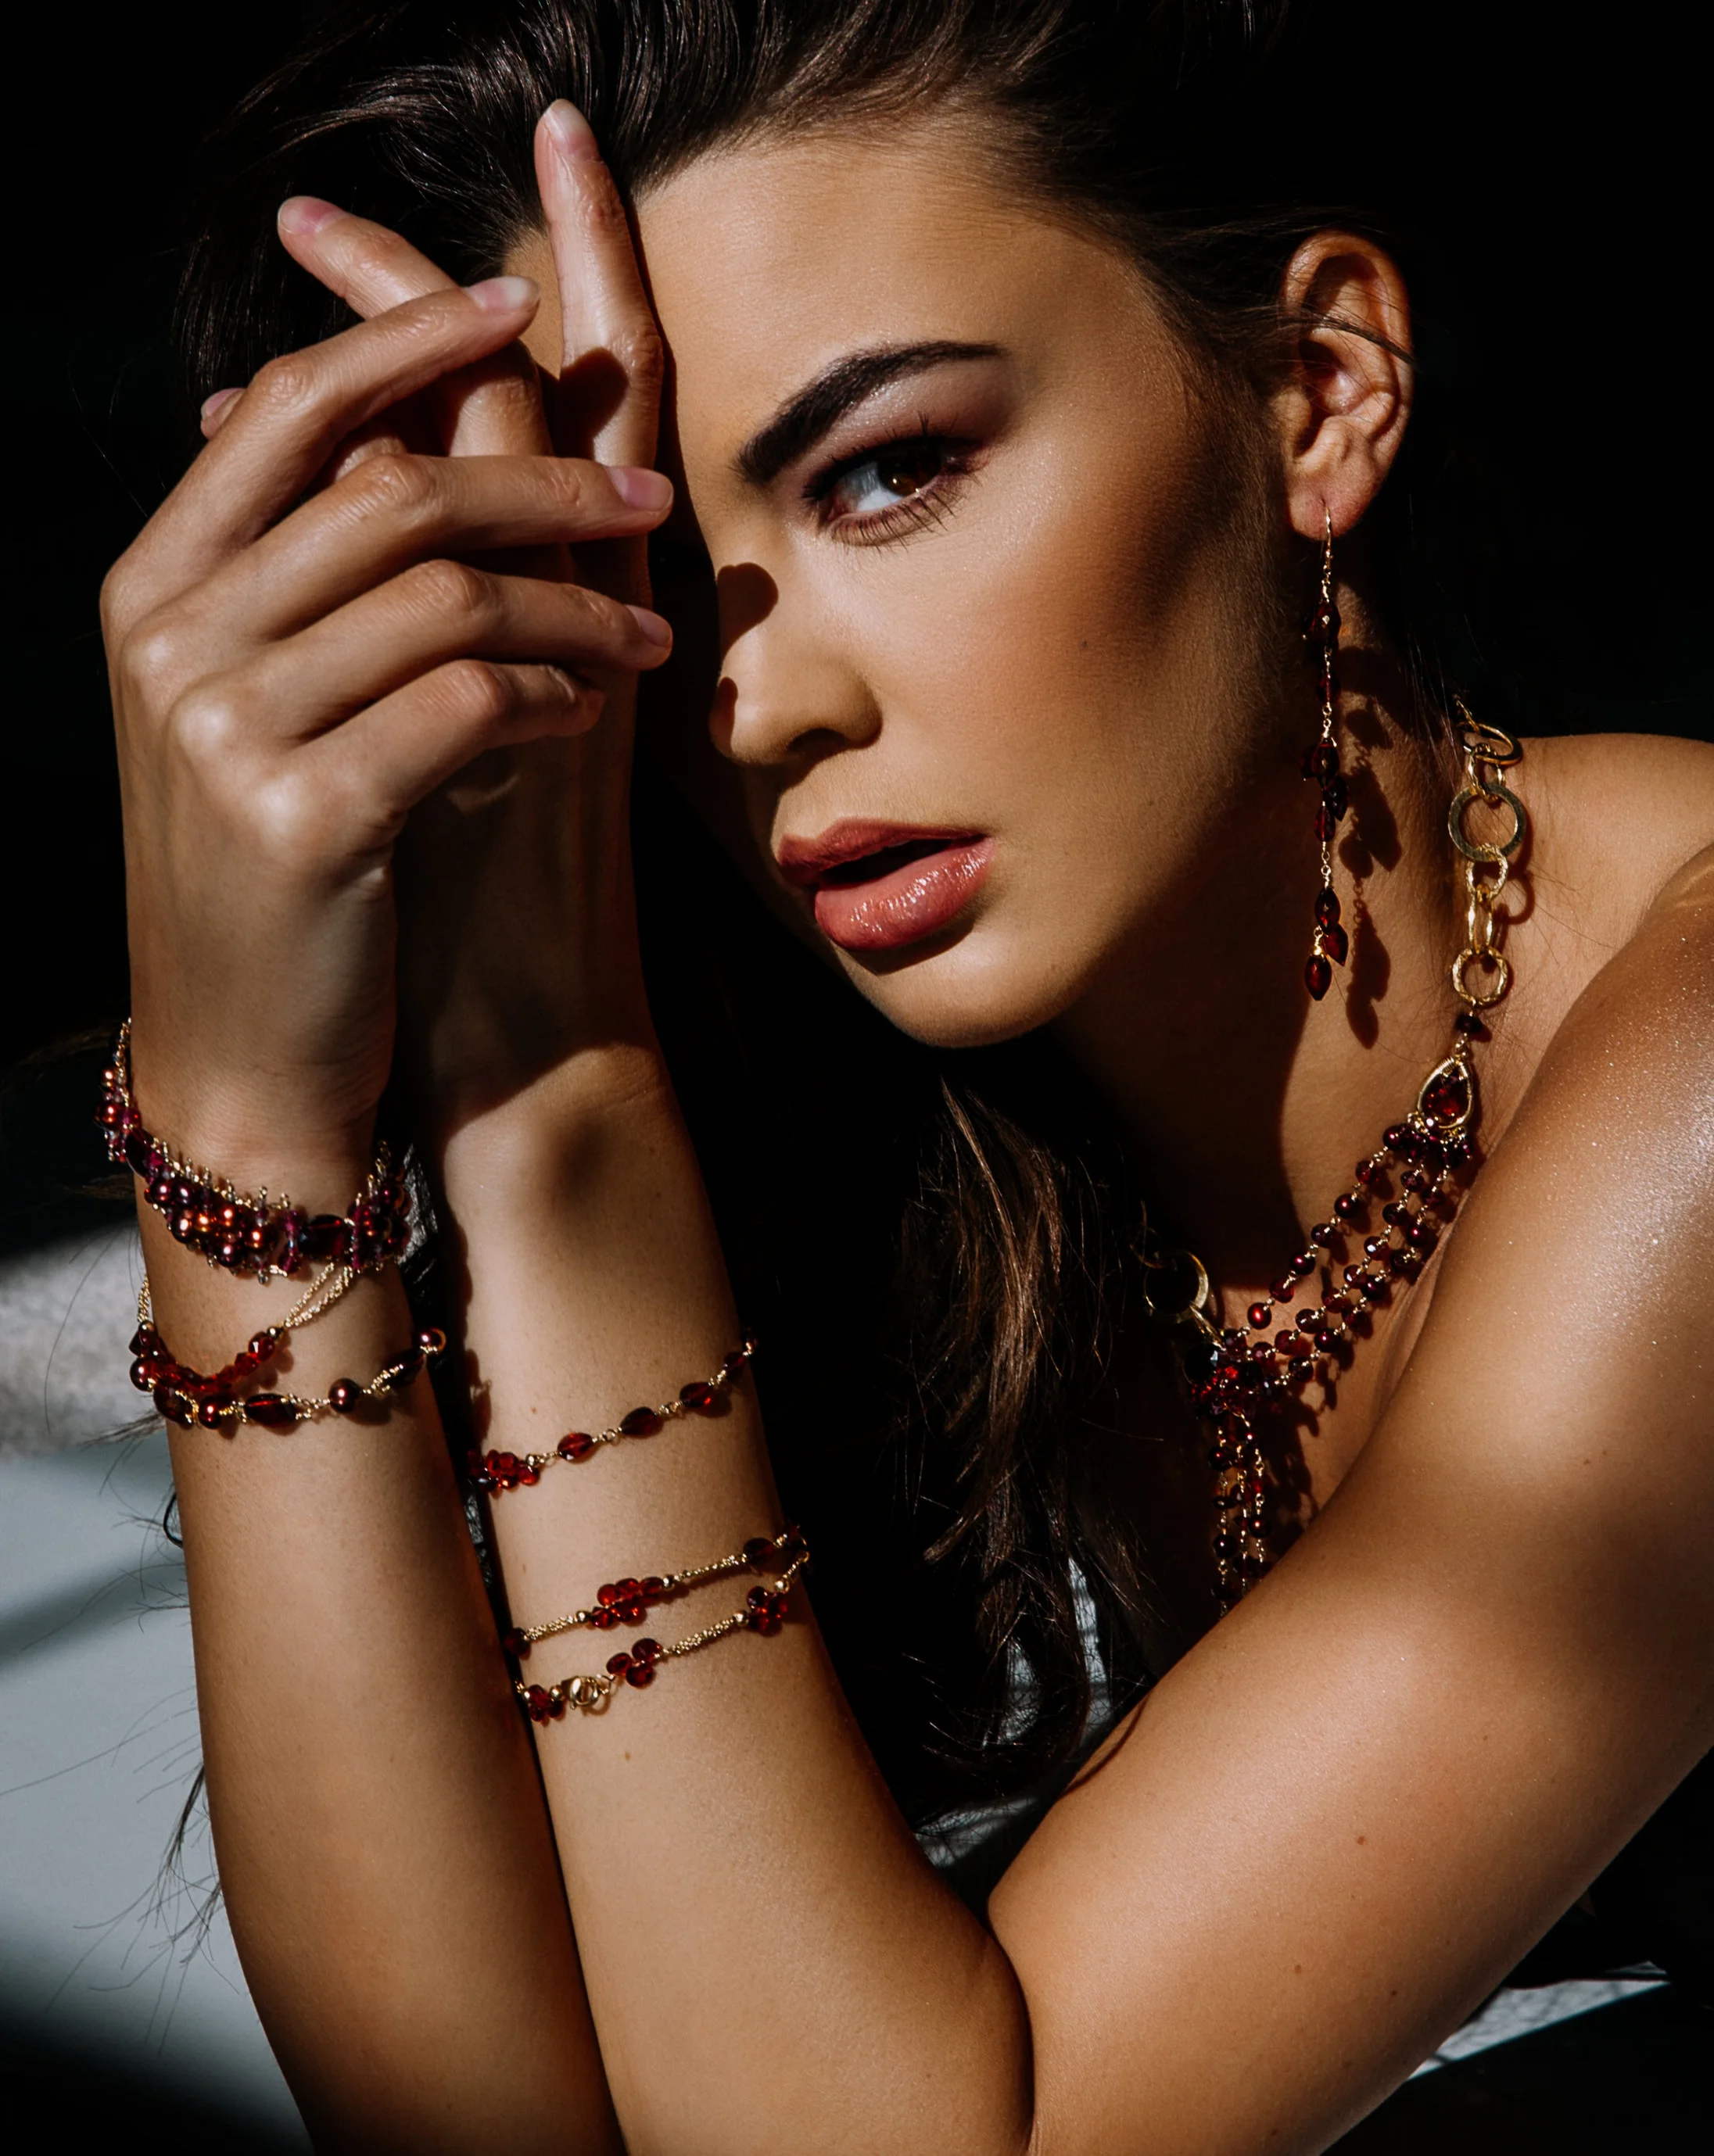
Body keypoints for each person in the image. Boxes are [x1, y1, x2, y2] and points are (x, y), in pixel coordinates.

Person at [98, 1, 1712, 2147]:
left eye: (887, 470)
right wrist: (240, 1120)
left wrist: (563, 1101)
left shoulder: (1694, 1083)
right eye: (629, 581)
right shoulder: (944, 1149)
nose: (752, 707)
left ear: (1320, 388)